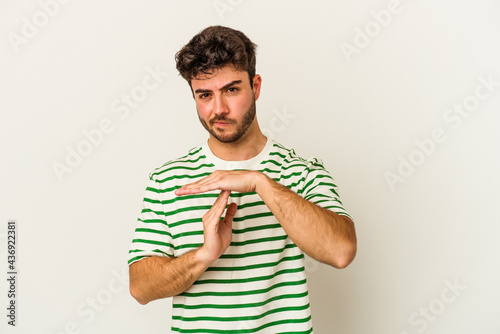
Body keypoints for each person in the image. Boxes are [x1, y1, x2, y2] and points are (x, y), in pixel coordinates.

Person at [128, 25, 357, 333]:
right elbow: (141, 288)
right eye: (205, 95)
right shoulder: (167, 180)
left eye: (231, 90)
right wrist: (204, 255)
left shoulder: (301, 172)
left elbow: (341, 251)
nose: (218, 109)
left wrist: (260, 183)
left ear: (256, 86)